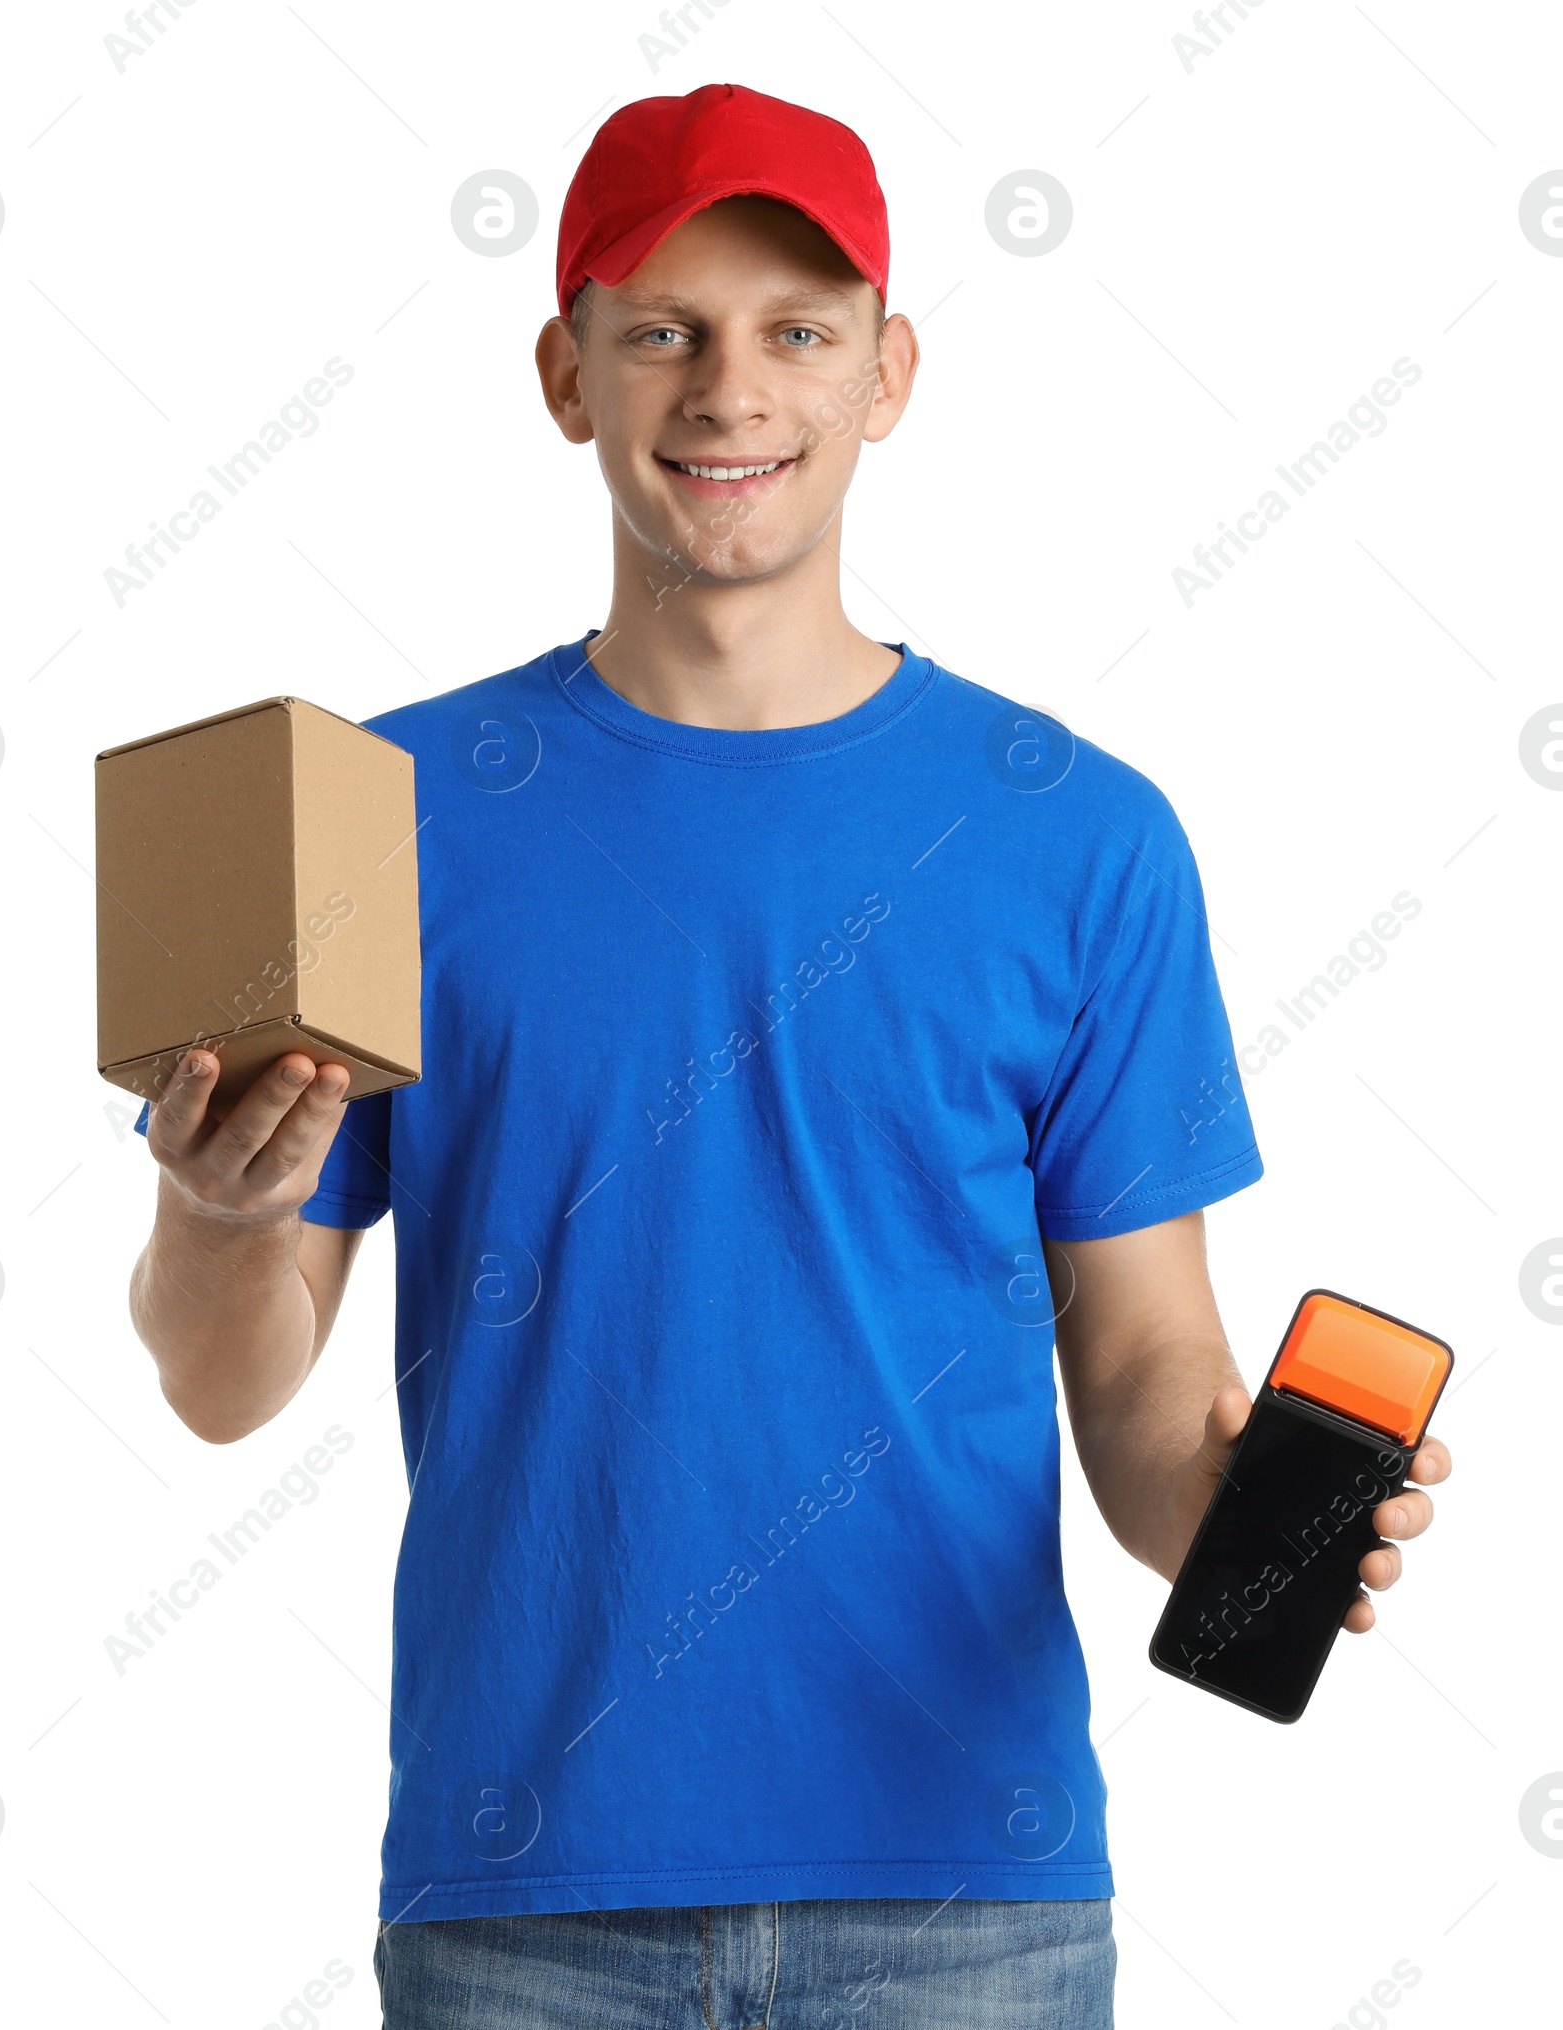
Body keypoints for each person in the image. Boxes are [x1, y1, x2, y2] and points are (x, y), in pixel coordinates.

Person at [128, 81, 1451, 2030]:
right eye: (658, 328)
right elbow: (220, 1386)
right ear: (564, 373)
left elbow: (1147, 1376)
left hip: (963, 1902)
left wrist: (1265, 1519)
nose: (724, 389)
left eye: (794, 332)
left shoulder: (1074, 836)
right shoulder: (356, 818)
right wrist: (212, 1209)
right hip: (525, 1904)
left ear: (886, 373)